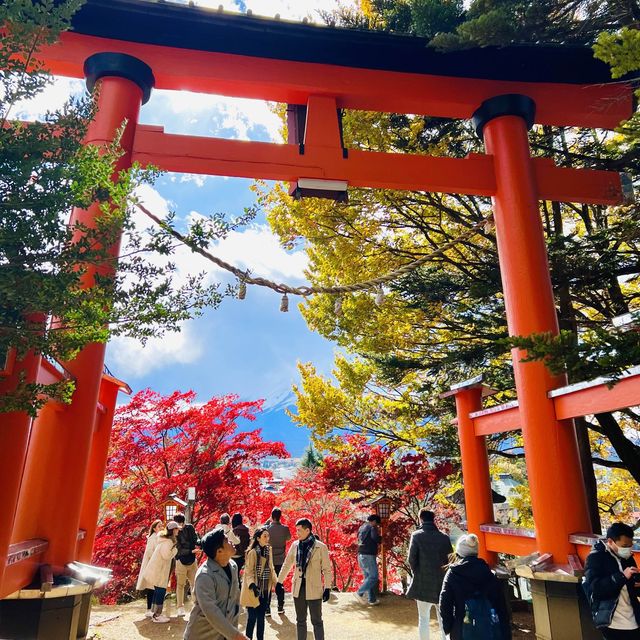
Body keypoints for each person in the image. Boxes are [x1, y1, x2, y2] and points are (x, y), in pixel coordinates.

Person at [438, 533, 511, 640]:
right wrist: (505, 630)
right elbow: (501, 605)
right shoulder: (489, 573)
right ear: (477, 552)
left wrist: (449, 628)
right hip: (488, 627)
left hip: (462, 627)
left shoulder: (453, 574)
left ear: (458, 553)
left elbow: (445, 603)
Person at [184, 528, 250, 640]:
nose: (231, 542)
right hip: (201, 635)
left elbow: (233, 602)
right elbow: (211, 611)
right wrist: (235, 635)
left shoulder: (233, 566)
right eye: (227, 541)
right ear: (219, 551)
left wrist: (232, 631)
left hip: (222, 635)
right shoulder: (204, 576)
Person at [277, 518, 332, 640]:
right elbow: (287, 564)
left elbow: (327, 569)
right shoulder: (295, 545)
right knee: (300, 620)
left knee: (316, 621)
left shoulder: (320, 547)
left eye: (299, 530)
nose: (297, 533)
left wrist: (327, 588)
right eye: (296, 530)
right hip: (298, 587)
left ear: (308, 530)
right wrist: (279, 581)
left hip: (314, 588)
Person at [584, 522, 640, 639]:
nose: (628, 549)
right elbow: (596, 588)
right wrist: (622, 576)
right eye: (624, 546)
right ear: (610, 542)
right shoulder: (595, 558)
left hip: (633, 616)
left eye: (630, 545)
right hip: (611, 620)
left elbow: (632, 588)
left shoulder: (627, 557)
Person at [407, 509, 452, 640]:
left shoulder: (417, 535)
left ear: (421, 518)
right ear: (433, 519)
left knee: (423, 618)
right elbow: (450, 559)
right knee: (443, 617)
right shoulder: (444, 537)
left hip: (422, 582)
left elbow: (411, 559)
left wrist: (418, 572)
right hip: (441, 582)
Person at [240, 528, 277, 640]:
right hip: (253, 590)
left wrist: (277, 583)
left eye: (268, 536)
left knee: (261, 618)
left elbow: (271, 568)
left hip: (265, 588)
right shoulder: (252, 552)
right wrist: (252, 585)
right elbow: (249, 572)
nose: (267, 538)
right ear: (258, 538)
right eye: (264, 536)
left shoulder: (268, 550)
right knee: (252, 618)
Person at [142, 520, 180, 623]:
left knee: (158, 591)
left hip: (158, 569)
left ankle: (155, 613)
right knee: (160, 591)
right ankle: (157, 615)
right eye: (177, 529)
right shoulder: (167, 542)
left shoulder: (164, 540)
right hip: (159, 570)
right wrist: (175, 551)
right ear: (173, 530)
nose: (178, 531)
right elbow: (166, 555)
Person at [136, 519, 164, 618]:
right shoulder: (152, 538)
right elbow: (149, 552)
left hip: (157, 565)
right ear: (154, 528)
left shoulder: (160, 537)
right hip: (151, 565)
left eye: (162, 526)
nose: (161, 527)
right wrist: (156, 559)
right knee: (151, 588)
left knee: (155, 587)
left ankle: (153, 609)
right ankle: (149, 609)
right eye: (159, 526)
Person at [266, 507, 291, 615]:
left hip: (269, 559)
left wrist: (266, 523)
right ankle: (280, 606)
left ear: (272, 516)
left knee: (267, 584)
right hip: (280, 559)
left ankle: (267, 608)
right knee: (279, 583)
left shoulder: (267, 528)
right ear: (280, 516)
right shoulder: (285, 529)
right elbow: (288, 538)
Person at [174, 513, 200, 617]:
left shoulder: (190, 528)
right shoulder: (174, 532)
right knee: (180, 585)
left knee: (194, 583)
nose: (180, 526)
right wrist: (191, 551)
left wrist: (200, 543)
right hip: (181, 561)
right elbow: (178, 550)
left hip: (192, 560)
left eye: (182, 524)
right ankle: (180, 607)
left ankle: (196, 605)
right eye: (178, 524)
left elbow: (195, 539)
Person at [354, 514, 381, 606]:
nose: (377, 526)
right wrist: (381, 538)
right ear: (374, 521)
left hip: (360, 554)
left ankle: (372, 599)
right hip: (368, 555)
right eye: (377, 524)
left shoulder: (362, 527)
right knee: (373, 577)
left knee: (368, 578)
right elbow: (375, 538)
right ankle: (359, 593)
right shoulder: (372, 527)